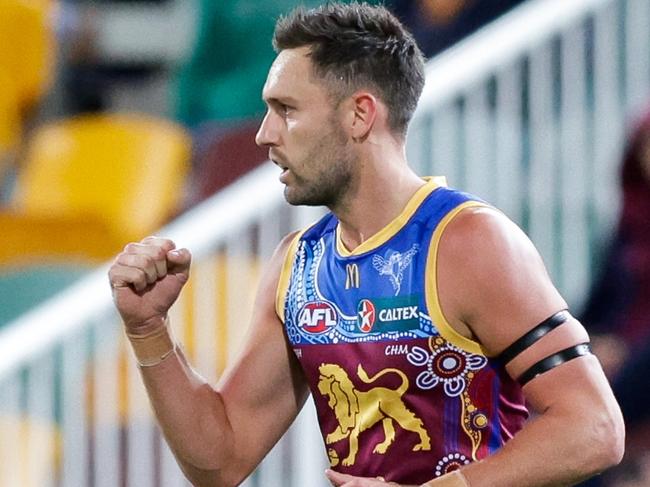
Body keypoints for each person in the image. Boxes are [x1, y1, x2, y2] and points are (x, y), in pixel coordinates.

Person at [108, 3, 625, 486]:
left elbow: (595, 427)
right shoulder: (297, 266)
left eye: (286, 109)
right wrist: (149, 330)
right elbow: (219, 461)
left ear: (359, 115)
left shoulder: (470, 242)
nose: (264, 134)